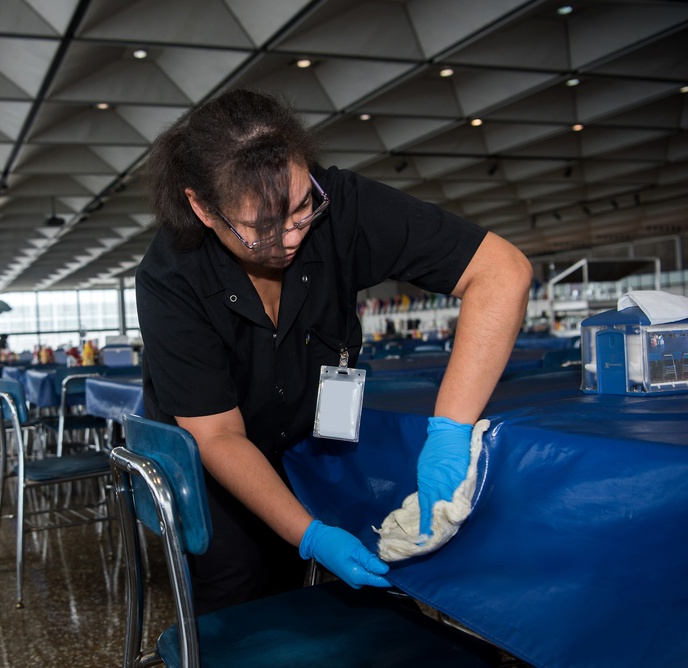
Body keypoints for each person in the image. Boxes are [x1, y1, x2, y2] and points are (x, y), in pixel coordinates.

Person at [135, 89, 532, 614]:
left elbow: (502, 272)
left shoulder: (341, 204)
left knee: (355, 581)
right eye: (262, 229)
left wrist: (451, 430)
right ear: (203, 208)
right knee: (243, 589)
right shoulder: (172, 276)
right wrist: (311, 535)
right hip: (217, 461)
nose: (293, 236)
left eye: (303, 209)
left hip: (307, 441)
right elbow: (217, 436)